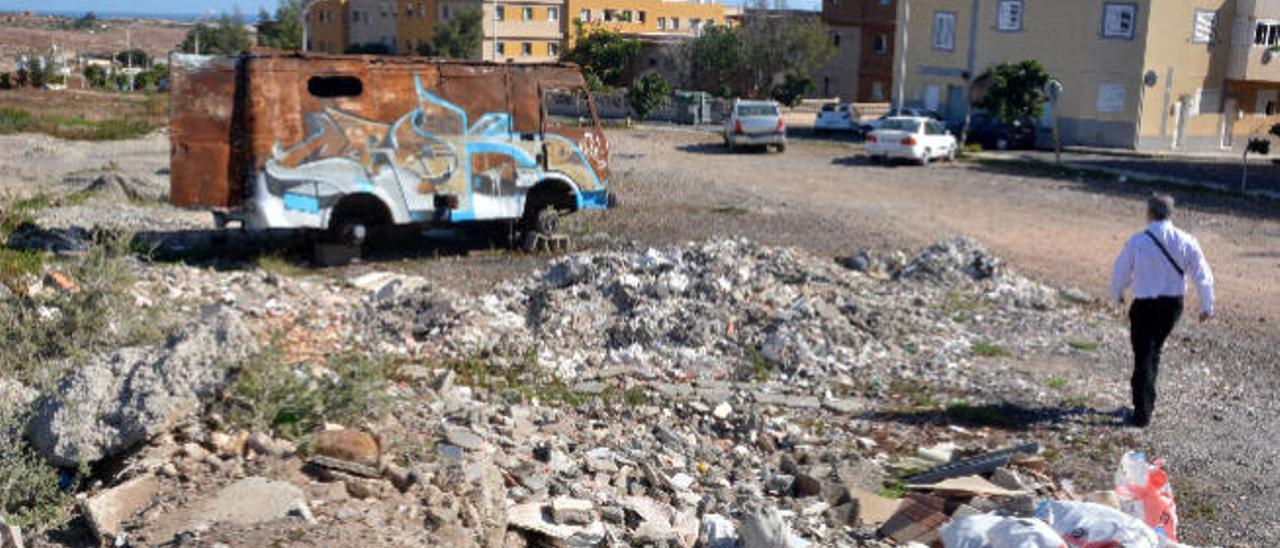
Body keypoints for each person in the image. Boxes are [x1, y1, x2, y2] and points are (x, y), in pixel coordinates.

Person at [1109, 193, 1214, 427]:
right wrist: (1207, 305)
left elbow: (1120, 271)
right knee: (1153, 352)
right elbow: (1202, 274)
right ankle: (1147, 402)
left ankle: (1142, 412)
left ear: (1149, 213)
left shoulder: (1138, 241)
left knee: (1144, 355)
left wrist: (1117, 294)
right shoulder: (1186, 240)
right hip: (1172, 306)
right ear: (1171, 213)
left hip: (1145, 305)